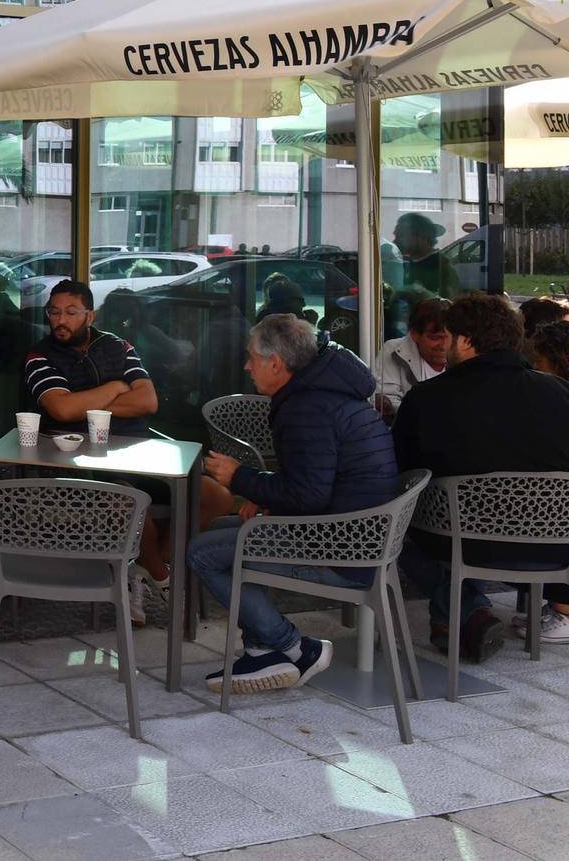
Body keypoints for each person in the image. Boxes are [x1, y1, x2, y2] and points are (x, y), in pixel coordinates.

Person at [194, 314, 396, 697]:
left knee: (201, 553)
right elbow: (314, 482)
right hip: (353, 537)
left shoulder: (306, 408)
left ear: (276, 363)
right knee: (223, 532)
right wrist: (265, 492)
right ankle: (262, 649)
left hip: (338, 551)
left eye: (252, 357)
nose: (246, 365)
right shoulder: (325, 394)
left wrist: (240, 478)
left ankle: (294, 648)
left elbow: (308, 496)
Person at [25, 279, 234, 624]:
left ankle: (144, 569)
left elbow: (147, 401)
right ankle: (163, 578)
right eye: (54, 312)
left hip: (138, 449)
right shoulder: (39, 355)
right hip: (81, 459)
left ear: (90, 315)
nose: (60, 320)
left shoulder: (118, 347)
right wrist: (114, 388)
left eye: (71, 312)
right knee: (132, 506)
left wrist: (87, 404)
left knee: (216, 498)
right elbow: (61, 411)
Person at [394, 294, 569, 657]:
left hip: (459, 541)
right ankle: (458, 619)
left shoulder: (426, 400)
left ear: (466, 341)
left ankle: (466, 610)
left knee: (398, 530)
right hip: (553, 545)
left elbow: (402, 476)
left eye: (450, 335)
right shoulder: (560, 393)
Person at [371, 296, 448, 421]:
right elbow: (385, 400)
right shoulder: (393, 350)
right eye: (435, 338)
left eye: (449, 337)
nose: (444, 346)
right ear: (414, 334)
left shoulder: (465, 353)